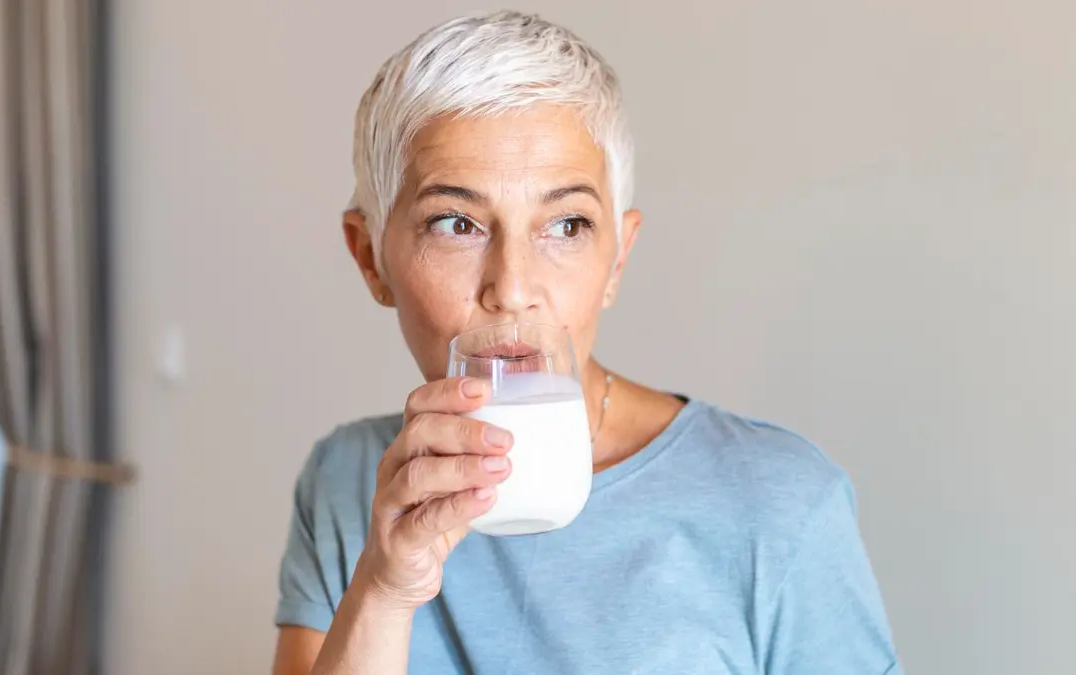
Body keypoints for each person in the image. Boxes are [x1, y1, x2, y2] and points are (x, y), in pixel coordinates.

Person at [272, 10, 902, 675]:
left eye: (566, 225)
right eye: (456, 223)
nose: (513, 289)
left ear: (618, 259)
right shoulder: (348, 480)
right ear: (370, 258)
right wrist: (384, 590)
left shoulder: (780, 503)